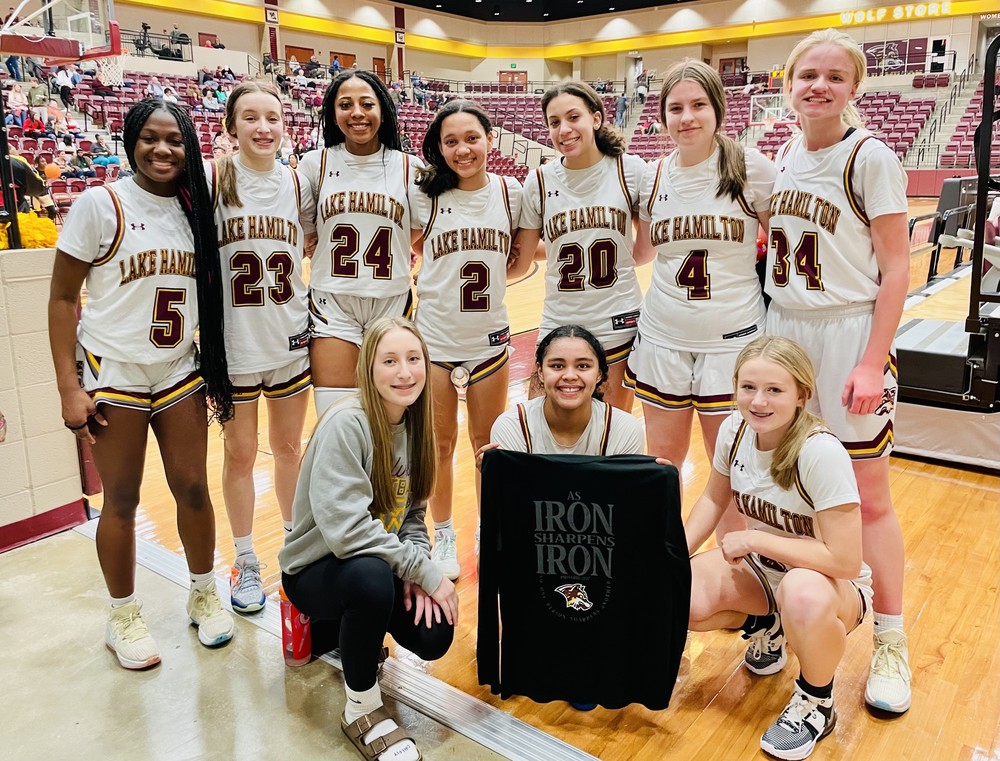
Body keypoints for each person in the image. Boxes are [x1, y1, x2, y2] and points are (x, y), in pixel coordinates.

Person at [48, 98, 236, 670]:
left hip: (178, 369)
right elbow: (60, 300)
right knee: (122, 500)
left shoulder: (194, 208)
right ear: (131, 140)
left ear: (189, 147)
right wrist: (67, 386)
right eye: (150, 138)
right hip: (117, 375)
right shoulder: (100, 205)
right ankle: (123, 614)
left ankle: (204, 591)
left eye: (175, 140)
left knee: (193, 489)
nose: (163, 150)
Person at [764, 28, 912, 713]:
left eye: (833, 76)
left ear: (854, 88)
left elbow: (899, 266)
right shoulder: (787, 152)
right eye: (806, 75)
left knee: (868, 495)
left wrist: (873, 359)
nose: (818, 86)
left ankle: (891, 635)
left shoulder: (870, 156)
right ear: (787, 84)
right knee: (791, 489)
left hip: (848, 329)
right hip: (785, 331)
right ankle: (785, 611)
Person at [279, 316, 457, 761]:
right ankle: (361, 708)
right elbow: (347, 533)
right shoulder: (347, 424)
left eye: (413, 359)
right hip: (316, 568)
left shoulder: (416, 426)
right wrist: (423, 571)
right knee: (372, 581)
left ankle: (345, 630)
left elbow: (412, 514)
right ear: (368, 369)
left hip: (372, 561)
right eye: (390, 361)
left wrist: (417, 569)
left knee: (434, 632)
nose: (405, 372)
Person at [685, 336, 871, 760]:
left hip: (829, 585)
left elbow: (844, 560)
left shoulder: (819, 452)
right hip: (765, 571)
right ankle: (771, 626)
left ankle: (815, 701)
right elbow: (714, 499)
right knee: (683, 594)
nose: (758, 401)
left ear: (801, 395)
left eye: (774, 390)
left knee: (801, 592)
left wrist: (756, 538)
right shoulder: (735, 430)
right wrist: (671, 554)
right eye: (748, 387)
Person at [626, 60, 775, 513]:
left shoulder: (753, 169)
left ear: (718, 108)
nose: (686, 117)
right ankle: (665, 567)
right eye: (675, 108)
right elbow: (643, 253)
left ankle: (735, 574)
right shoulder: (654, 176)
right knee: (663, 464)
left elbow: (783, 248)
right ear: (663, 115)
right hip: (664, 337)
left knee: (729, 467)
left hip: (732, 341)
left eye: (698, 105)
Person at [213, 82, 314, 614]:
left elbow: (316, 241)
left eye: (272, 118)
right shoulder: (215, 179)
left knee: (290, 446)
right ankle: (246, 558)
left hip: (289, 335)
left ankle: (295, 548)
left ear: (284, 124)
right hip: (235, 343)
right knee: (239, 452)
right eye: (250, 118)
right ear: (232, 126)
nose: (263, 128)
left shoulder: (296, 183)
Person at [410, 100, 522, 580]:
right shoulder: (425, 196)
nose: (462, 149)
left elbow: (519, 259)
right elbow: (415, 247)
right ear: (438, 147)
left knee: (486, 445)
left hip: (489, 339)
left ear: (490, 139)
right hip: (435, 340)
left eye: (471, 138)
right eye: (450, 141)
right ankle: (446, 532)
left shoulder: (509, 191)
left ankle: (487, 531)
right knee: (438, 445)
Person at [510, 81, 653, 412]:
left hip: (617, 321)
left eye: (573, 117)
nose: (564, 129)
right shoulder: (540, 180)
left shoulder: (628, 169)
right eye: (554, 122)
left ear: (597, 119)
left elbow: (645, 251)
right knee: (540, 426)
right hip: (559, 319)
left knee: (611, 432)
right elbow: (526, 257)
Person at [297, 69, 420, 417]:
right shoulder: (314, 164)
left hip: (391, 301)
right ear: (333, 114)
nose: (357, 113)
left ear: (382, 109)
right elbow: (309, 231)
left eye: (367, 104)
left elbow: (421, 228)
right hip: (333, 302)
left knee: (392, 418)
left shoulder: (409, 167)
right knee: (335, 417)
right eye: (345, 105)